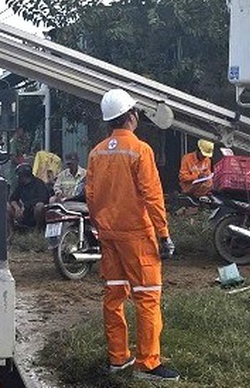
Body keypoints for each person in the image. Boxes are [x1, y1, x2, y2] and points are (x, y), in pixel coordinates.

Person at [86, 88, 179, 382]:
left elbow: (90, 195)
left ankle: (118, 358)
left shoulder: (96, 152)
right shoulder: (140, 150)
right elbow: (152, 196)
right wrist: (163, 235)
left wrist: (101, 227)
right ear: (130, 116)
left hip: (108, 235)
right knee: (147, 298)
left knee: (114, 296)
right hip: (137, 236)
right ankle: (148, 364)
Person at [7, 163, 51, 229]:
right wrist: (17, 208)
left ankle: (38, 229)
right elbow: (13, 198)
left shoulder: (39, 183)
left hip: (34, 213)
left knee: (40, 206)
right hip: (23, 214)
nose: (18, 177)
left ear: (25, 175)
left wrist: (25, 206)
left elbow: (43, 199)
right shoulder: (21, 185)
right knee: (7, 206)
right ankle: (12, 229)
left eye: (19, 175)